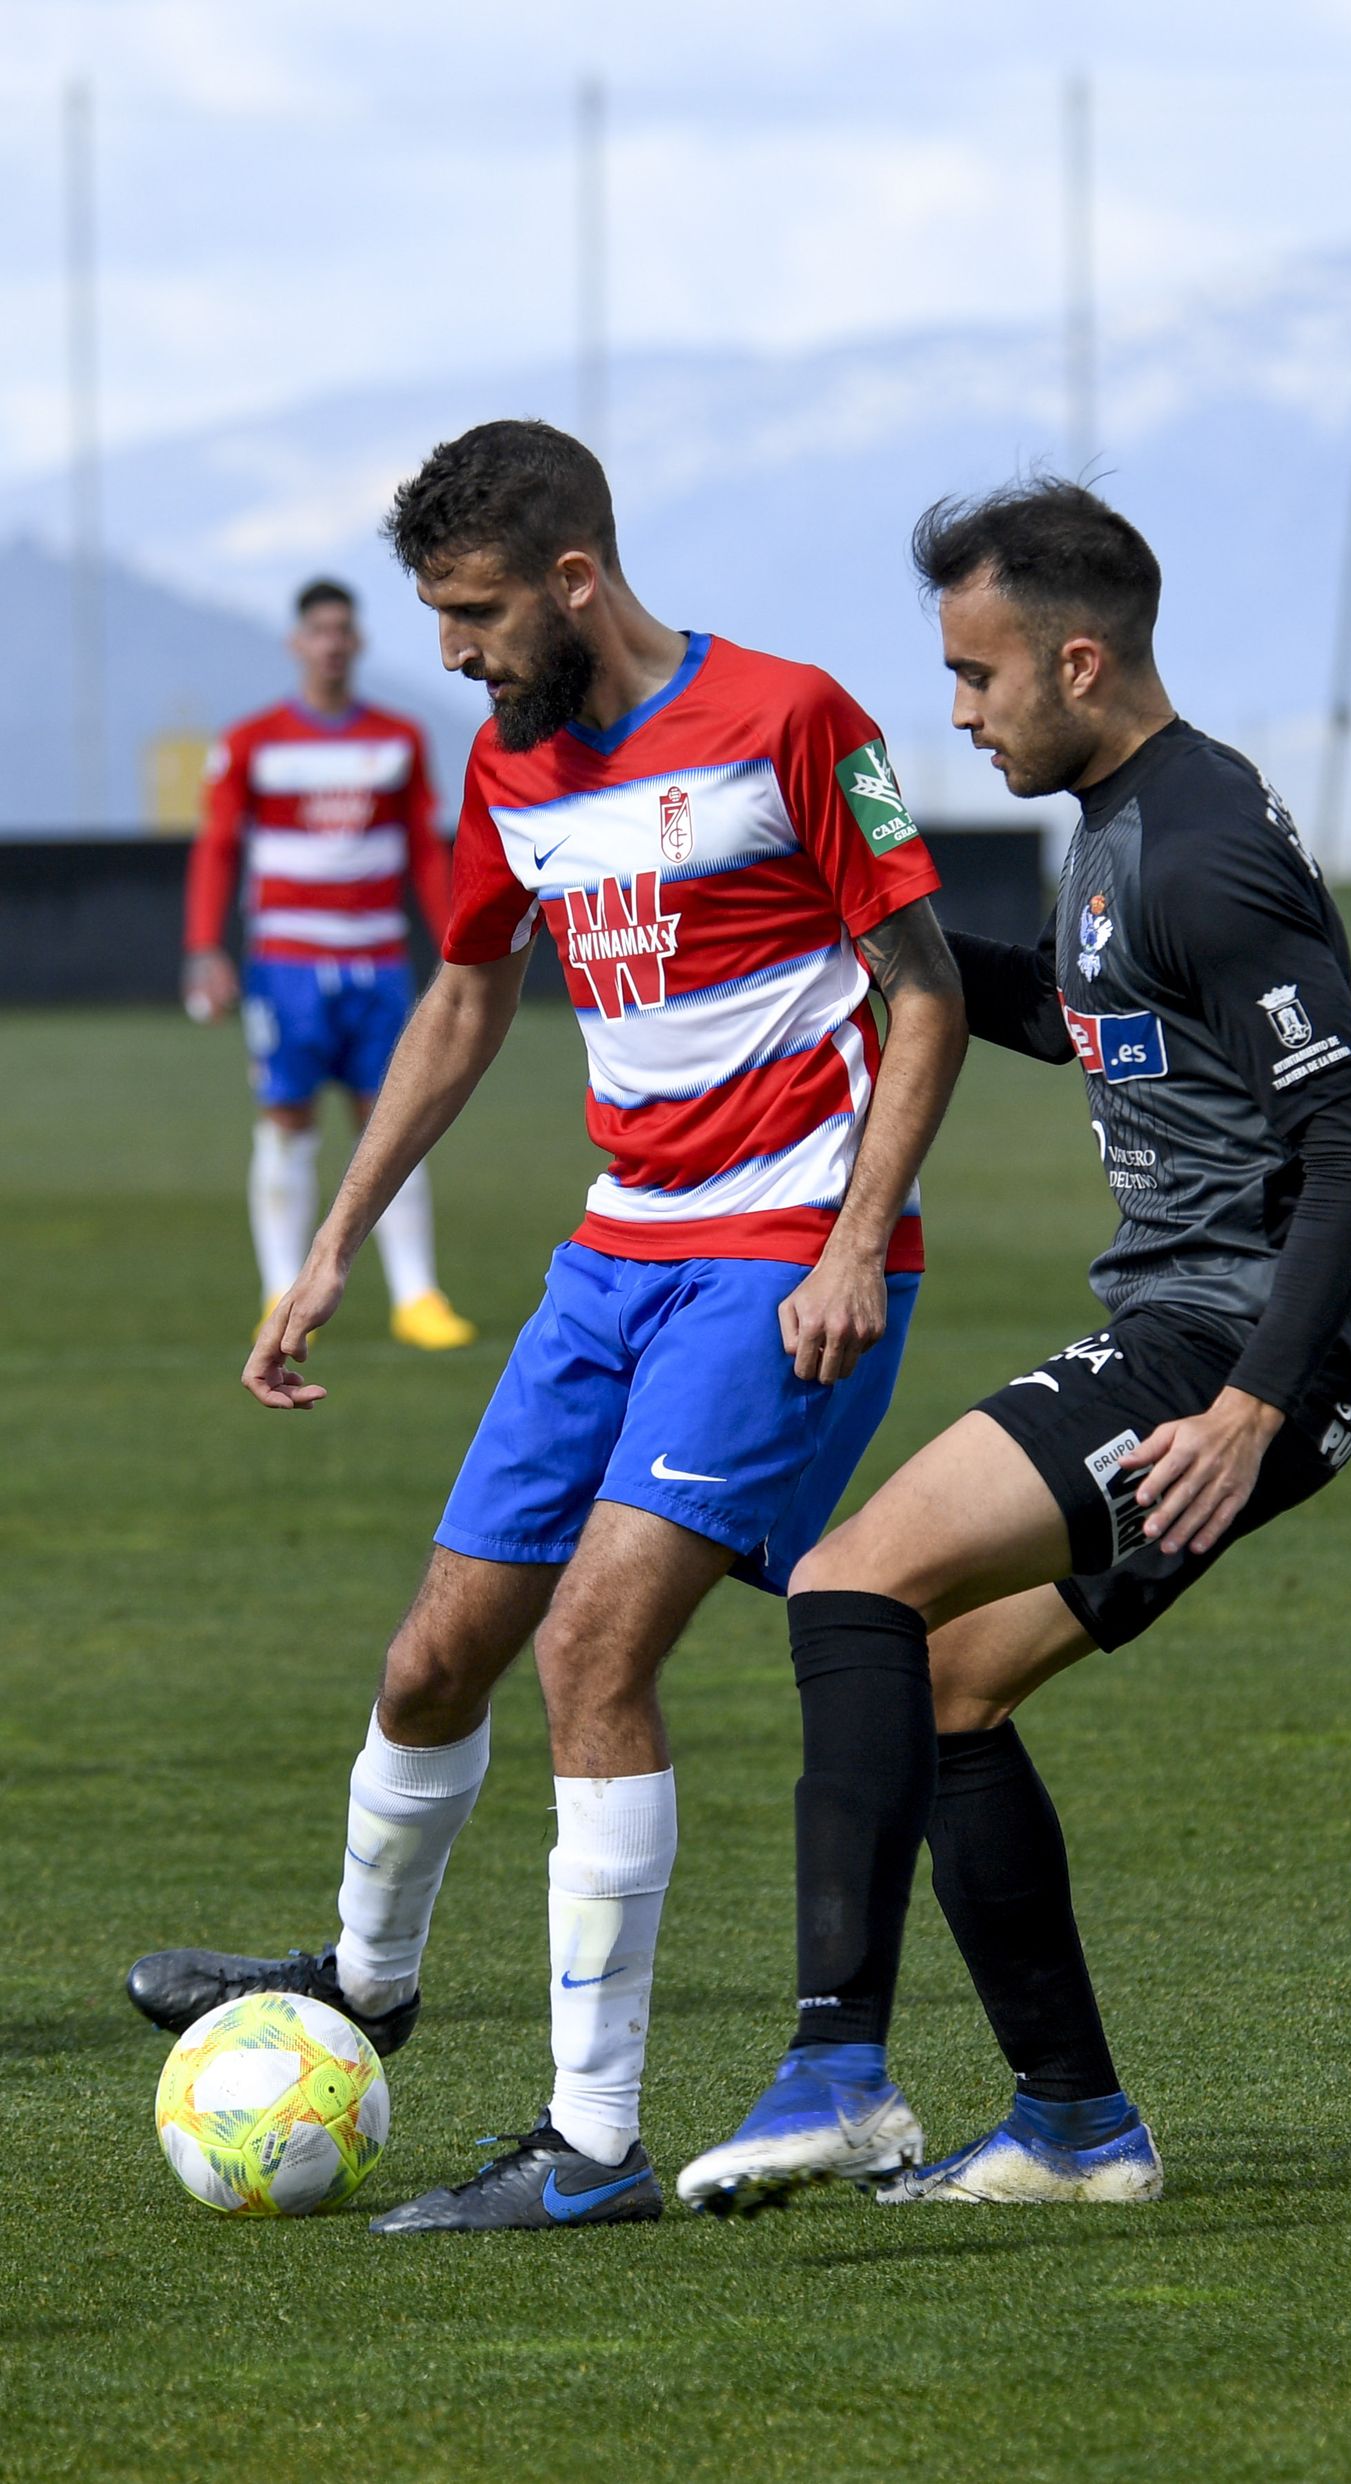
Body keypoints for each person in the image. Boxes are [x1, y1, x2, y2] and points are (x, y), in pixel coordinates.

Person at [128, 420, 967, 2235]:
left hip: (780, 1263)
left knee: (594, 1647)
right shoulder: (511, 760)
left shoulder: (791, 720)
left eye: (478, 611)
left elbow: (926, 990)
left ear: (577, 578)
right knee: (437, 1655)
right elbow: (463, 990)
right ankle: (364, 1985)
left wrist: (851, 1237)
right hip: (612, 1257)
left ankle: (591, 2144)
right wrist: (335, 1239)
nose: (455, 651)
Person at [677, 477, 1351, 2217]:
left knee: (853, 1582)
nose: (956, 708)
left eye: (976, 671)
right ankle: (1079, 2125)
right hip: (1224, 1352)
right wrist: (870, 937)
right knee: (948, 1682)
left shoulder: (1203, 840)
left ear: (1079, 660)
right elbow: (1084, 1010)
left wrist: (1246, 1400)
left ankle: (838, 2068)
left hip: (1226, 1352)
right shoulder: (1120, 825)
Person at [184, 576, 476, 1350]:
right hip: (287, 966)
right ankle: (280, 1286)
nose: (334, 642)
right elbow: (217, 847)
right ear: (298, 642)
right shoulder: (253, 741)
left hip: (376, 961)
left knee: (396, 1119)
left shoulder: (397, 739)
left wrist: (455, 939)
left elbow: (423, 847)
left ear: (360, 641)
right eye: (320, 629)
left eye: (345, 629)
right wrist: (204, 947)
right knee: (286, 1120)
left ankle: (417, 1296)